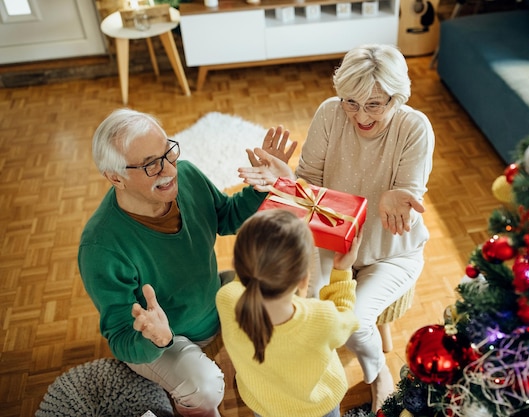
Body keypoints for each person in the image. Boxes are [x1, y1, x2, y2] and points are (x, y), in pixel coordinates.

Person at [240, 44, 435, 412]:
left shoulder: (414, 127)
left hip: (391, 252)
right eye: (351, 101)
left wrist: (399, 196)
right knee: (308, 309)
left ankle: (377, 374)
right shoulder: (330, 113)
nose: (360, 115)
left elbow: (410, 195)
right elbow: (308, 183)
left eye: (374, 104)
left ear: (398, 96)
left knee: (354, 321)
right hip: (331, 237)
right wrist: (286, 181)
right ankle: (311, 373)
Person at [77, 108, 294, 417]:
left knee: (275, 293)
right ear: (115, 177)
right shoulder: (101, 247)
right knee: (205, 387)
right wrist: (157, 338)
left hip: (209, 300)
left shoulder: (188, 175)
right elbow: (121, 337)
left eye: (167, 153)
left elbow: (226, 217)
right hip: (162, 339)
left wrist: (263, 186)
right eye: (151, 165)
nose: (169, 170)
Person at [216, 209, 362, 417]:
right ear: (304, 279)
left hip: (264, 406)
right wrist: (342, 271)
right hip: (318, 408)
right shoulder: (320, 318)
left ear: (239, 264)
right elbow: (347, 317)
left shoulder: (226, 299)